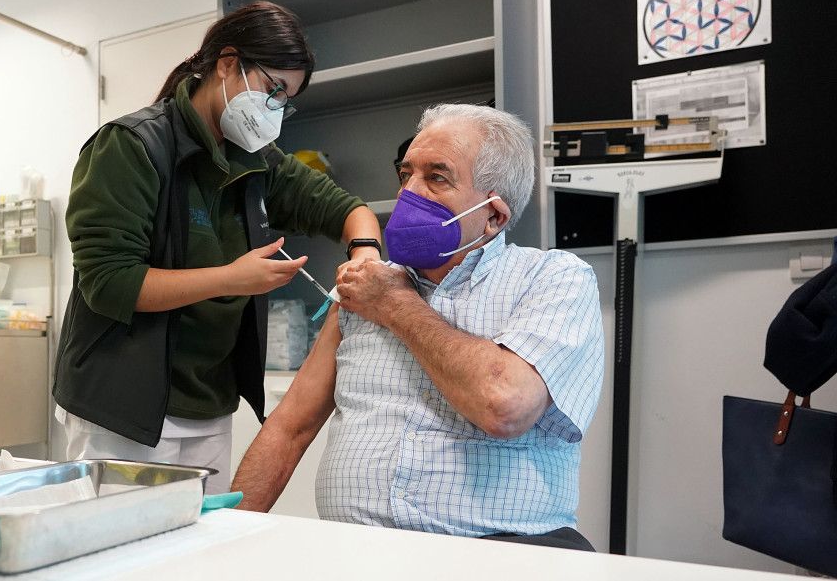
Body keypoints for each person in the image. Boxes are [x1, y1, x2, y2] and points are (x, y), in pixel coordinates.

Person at [230, 104, 605, 551]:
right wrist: (225, 535)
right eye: (405, 173)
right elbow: (289, 427)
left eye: (437, 177)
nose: (410, 192)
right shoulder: (362, 291)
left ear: (494, 216)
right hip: (355, 554)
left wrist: (396, 304)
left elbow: (505, 405)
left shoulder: (554, 279)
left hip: (499, 555)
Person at [53, 1, 382, 494]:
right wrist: (232, 279)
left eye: (285, 100)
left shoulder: (256, 159)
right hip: (123, 408)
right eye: (273, 90)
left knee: (198, 555)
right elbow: (111, 283)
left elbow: (345, 209)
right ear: (228, 63)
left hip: (209, 404)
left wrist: (365, 255)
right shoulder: (131, 146)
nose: (275, 110)